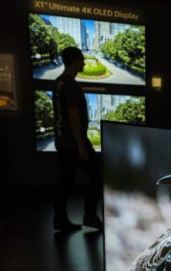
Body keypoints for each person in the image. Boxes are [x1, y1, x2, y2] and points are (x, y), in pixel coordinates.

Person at [52, 46, 103, 231]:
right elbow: (74, 118)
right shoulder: (71, 85)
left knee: (63, 182)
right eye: (82, 59)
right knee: (96, 174)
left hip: (62, 142)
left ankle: (60, 220)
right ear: (74, 61)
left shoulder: (59, 82)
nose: (84, 62)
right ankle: (89, 217)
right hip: (73, 143)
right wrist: (81, 146)